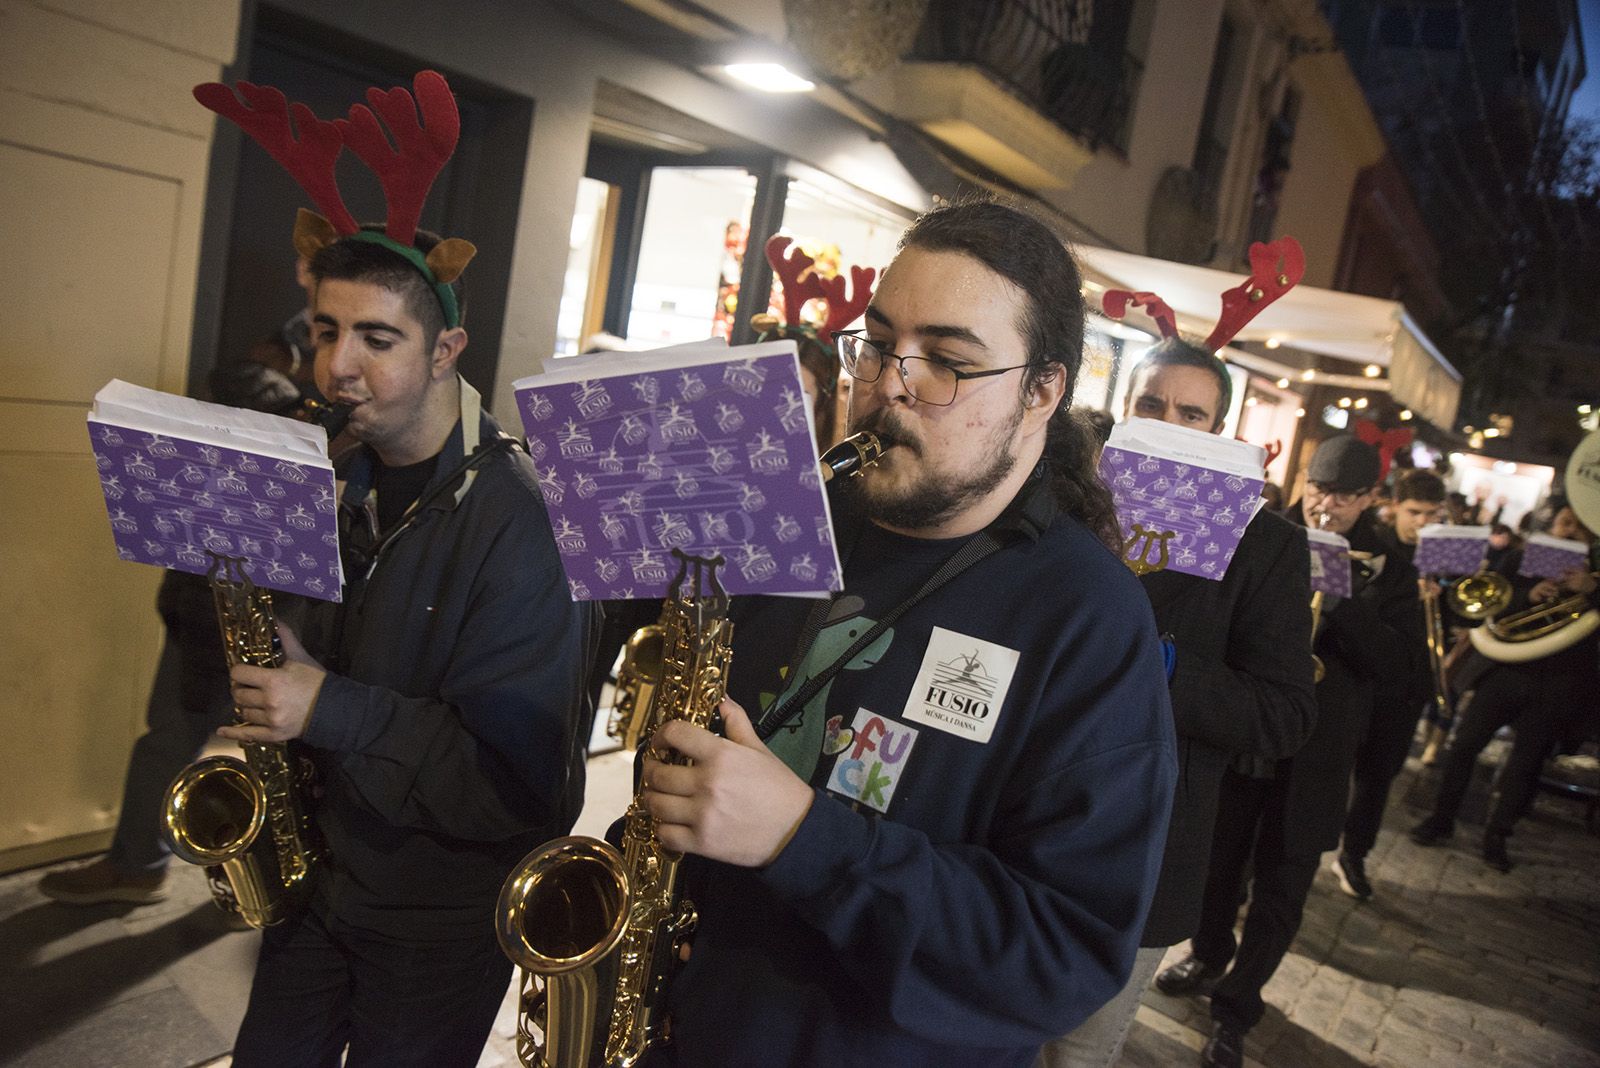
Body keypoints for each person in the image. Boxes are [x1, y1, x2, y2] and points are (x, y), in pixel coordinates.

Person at [635, 200, 1177, 1067]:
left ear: (1043, 391)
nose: (889, 384)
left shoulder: (1091, 620)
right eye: (878, 343)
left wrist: (802, 839)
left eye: (947, 362)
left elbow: (1064, 959)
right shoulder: (799, 523)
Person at [182, 72, 598, 1066]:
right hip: (314, 886)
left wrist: (326, 708)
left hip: (434, 922)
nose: (337, 368)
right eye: (325, 332)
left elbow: (520, 788)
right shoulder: (327, 474)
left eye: (378, 338)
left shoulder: (528, 523)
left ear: (447, 346)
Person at [1035, 339, 1318, 1068]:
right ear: (1123, 415)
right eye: (1152, 405)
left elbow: (1284, 714)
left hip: (1143, 844)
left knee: (1078, 1051)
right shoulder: (1063, 500)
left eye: (1192, 413)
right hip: (1018, 813)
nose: (1171, 422)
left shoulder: (1267, 544)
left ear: (1219, 432)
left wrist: (1163, 665)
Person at [40, 262, 326, 909]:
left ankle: (226, 882)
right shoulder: (279, 380)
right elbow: (243, 386)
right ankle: (146, 866)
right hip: (209, 602)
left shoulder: (323, 399)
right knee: (177, 738)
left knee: (250, 756)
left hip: (265, 611)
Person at [1157, 435, 1419, 1068]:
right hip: (1250, 739)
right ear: (1305, 480)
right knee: (1219, 863)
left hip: (1321, 750)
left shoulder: (1392, 566)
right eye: (1321, 490)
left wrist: (1346, 596)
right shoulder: (1264, 534)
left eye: (1346, 497)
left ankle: (1236, 1008)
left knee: (1282, 884)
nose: (1328, 507)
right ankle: (1208, 952)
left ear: (1371, 498)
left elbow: (1398, 668)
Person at [1410, 500, 1598, 871]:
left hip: (1559, 681)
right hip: (1507, 670)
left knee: (1524, 764)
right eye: (1565, 522)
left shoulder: (1596, 574)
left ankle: (1498, 836)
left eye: (1580, 526)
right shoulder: (1519, 560)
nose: (1570, 530)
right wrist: (1529, 595)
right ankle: (1441, 818)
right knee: (1464, 746)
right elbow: (1492, 603)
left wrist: (1589, 589)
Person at [1332, 469, 1443, 899]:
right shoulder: (1374, 548)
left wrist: (1446, 599)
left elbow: (1466, 619)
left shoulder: (1447, 557)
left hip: (1408, 685)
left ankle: (1354, 854)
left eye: (1431, 514)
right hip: (1365, 678)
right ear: (1394, 505)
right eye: (1414, 512)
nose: (1421, 522)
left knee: (1379, 777)